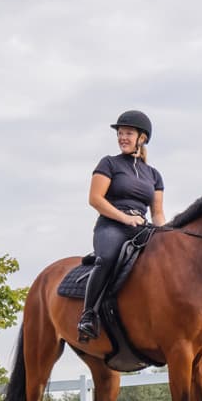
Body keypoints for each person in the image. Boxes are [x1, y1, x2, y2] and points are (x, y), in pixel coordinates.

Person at [79, 110, 165, 341]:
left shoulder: (154, 175)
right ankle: (88, 315)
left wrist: (166, 234)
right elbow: (95, 199)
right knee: (106, 258)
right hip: (112, 226)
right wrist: (125, 218)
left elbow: (157, 213)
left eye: (128, 133)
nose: (122, 138)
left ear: (142, 138)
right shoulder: (109, 163)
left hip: (142, 228)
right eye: (120, 133)